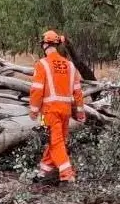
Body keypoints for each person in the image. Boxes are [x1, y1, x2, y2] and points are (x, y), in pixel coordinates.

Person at [29, 30, 85, 183]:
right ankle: (44, 172)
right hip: (65, 111)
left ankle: (67, 175)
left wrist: (33, 110)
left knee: (56, 142)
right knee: (57, 141)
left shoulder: (42, 64)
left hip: (49, 111)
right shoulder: (70, 66)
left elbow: (37, 90)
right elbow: (78, 92)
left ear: (45, 45)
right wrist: (80, 113)